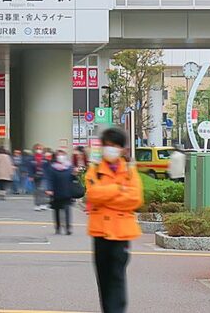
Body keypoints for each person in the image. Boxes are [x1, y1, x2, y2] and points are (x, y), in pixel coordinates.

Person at [85, 127, 143, 313]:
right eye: (107, 145)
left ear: (121, 149)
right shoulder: (95, 171)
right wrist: (119, 188)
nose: (111, 149)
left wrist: (106, 193)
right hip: (100, 233)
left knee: (117, 277)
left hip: (121, 234)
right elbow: (93, 195)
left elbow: (135, 199)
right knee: (103, 278)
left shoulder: (129, 172)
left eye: (115, 146)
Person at [45, 148, 75, 235]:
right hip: (56, 192)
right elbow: (49, 179)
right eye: (59, 155)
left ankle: (68, 227)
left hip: (67, 191)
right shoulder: (52, 167)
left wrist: (75, 174)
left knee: (67, 210)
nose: (61, 157)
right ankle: (57, 227)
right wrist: (49, 189)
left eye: (62, 154)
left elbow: (73, 179)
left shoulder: (69, 167)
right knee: (57, 210)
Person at [29, 145, 49, 211]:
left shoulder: (45, 159)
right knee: (37, 191)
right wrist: (31, 176)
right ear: (35, 150)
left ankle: (43, 204)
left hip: (44, 176)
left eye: (40, 148)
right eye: (37, 148)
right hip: (35, 176)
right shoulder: (32, 158)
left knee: (43, 190)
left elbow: (48, 168)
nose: (39, 150)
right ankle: (37, 204)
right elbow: (30, 168)